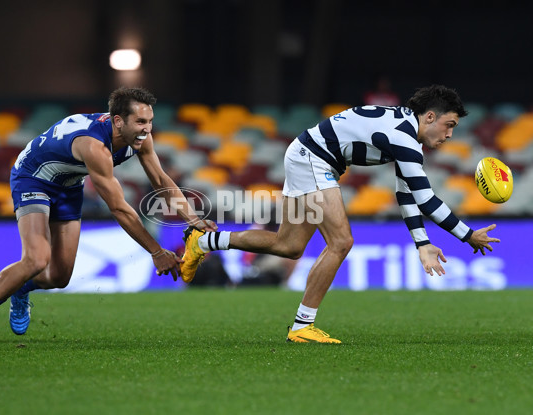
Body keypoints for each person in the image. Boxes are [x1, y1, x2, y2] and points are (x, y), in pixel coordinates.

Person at [180, 85, 500, 344]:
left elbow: (407, 195)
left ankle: (204, 241)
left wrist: (422, 243)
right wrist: (468, 235)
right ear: (430, 117)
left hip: (305, 153)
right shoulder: (404, 138)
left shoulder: (404, 130)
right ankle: (303, 326)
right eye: (449, 125)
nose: (449, 135)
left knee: (288, 246)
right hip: (314, 160)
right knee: (342, 242)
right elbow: (426, 200)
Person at [0, 87, 216, 344]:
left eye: (149, 121)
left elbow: (161, 180)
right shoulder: (94, 147)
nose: (147, 129)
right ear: (118, 121)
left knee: (60, 277)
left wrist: (193, 220)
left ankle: (21, 287)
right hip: (33, 179)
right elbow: (118, 208)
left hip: (69, 184)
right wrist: (156, 252)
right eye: (140, 121)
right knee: (36, 260)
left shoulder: (139, 137)